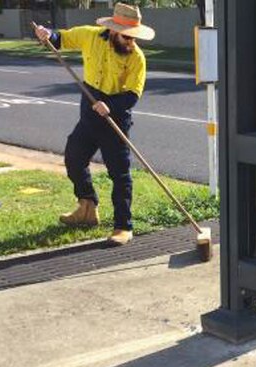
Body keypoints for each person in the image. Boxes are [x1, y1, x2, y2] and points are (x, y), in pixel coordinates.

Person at [34, 3, 154, 245]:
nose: (130, 40)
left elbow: (132, 94)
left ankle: (123, 226)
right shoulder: (90, 36)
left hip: (115, 118)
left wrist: (111, 106)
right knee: (74, 158)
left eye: (133, 36)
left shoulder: (136, 57)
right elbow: (62, 39)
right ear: (113, 29)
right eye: (126, 35)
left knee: (119, 174)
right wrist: (48, 35)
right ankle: (86, 207)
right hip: (89, 112)